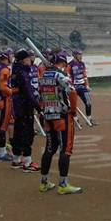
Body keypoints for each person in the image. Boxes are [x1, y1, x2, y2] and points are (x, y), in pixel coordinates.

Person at [36, 51, 82, 194]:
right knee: (65, 149)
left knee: (49, 149)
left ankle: (44, 182)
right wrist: (73, 110)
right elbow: (72, 91)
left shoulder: (43, 76)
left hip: (48, 116)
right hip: (62, 116)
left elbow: (39, 95)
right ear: (62, 62)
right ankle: (63, 184)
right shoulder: (60, 75)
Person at [9, 49, 41, 172]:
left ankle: (16, 159)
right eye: (28, 58)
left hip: (18, 105)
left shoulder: (15, 71)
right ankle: (27, 162)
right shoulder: (23, 72)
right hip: (25, 106)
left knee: (18, 131)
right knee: (27, 133)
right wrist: (38, 107)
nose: (30, 60)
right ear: (24, 60)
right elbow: (28, 92)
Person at [68, 49, 95, 124]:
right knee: (73, 104)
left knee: (88, 102)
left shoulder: (82, 64)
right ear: (74, 55)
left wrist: (87, 85)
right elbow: (68, 76)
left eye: (81, 55)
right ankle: (75, 120)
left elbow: (85, 76)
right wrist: (70, 86)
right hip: (74, 87)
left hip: (82, 86)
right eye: (79, 55)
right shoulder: (70, 65)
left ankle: (89, 119)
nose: (81, 56)